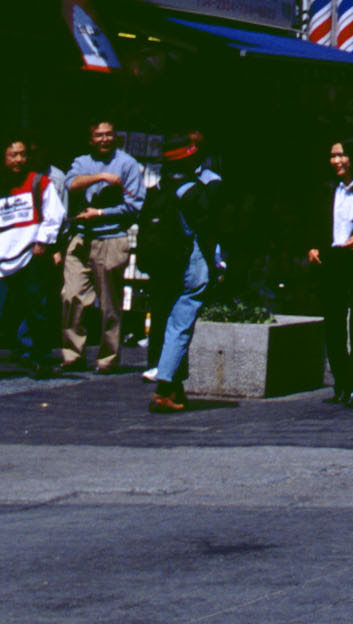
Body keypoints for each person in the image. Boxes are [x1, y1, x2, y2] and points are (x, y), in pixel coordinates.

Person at [147, 131, 223, 413]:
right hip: (191, 263)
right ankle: (164, 388)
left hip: (162, 267)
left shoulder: (158, 189)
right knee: (180, 326)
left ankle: (175, 388)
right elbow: (209, 229)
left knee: (168, 321)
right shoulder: (195, 190)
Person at [60, 118, 144, 372]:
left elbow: (135, 206)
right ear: (90, 139)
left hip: (111, 238)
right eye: (99, 135)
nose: (104, 139)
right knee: (71, 296)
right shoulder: (82, 162)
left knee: (109, 303)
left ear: (116, 137)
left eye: (109, 134)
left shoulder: (128, 164)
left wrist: (100, 213)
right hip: (81, 237)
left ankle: (108, 358)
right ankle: (72, 355)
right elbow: (70, 184)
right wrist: (102, 176)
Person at [307, 139, 353, 407]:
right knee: (334, 323)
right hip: (332, 260)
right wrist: (313, 246)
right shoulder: (326, 189)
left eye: (341, 155)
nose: (336, 161)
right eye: (332, 156)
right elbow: (315, 220)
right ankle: (340, 380)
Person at [0, 139, 63, 377]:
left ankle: (39, 358)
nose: (18, 160)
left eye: (22, 154)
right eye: (12, 155)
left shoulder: (40, 182)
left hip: (30, 255)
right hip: (3, 256)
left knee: (35, 308)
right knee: (5, 310)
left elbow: (54, 215)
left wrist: (42, 241)